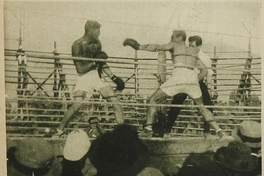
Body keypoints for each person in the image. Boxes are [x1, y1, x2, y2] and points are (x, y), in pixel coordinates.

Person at [124, 30, 225, 138]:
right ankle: (219, 131)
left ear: (178, 38)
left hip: (179, 75)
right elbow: (204, 70)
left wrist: (138, 46)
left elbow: (157, 47)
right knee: (202, 107)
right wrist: (194, 80)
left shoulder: (175, 44)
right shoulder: (193, 51)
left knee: (153, 100)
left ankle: (148, 130)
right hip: (192, 78)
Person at [53, 20, 125, 137]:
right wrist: (95, 61)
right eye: (97, 31)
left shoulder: (97, 43)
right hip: (83, 77)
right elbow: (80, 69)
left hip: (96, 76)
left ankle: (123, 135)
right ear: (90, 31)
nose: (99, 34)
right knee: (76, 106)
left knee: (116, 102)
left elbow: (101, 62)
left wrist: (114, 77)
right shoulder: (77, 45)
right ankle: (58, 132)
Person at [165, 35, 214, 138]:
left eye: (193, 46)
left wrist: (209, 88)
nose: (190, 48)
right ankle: (167, 131)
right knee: (176, 104)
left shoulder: (205, 57)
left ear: (199, 46)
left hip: (198, 81)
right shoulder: (186, 54)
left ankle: (207, 132)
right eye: (189, 45)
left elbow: (208, 73)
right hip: (185, 80)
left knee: (208, 105)